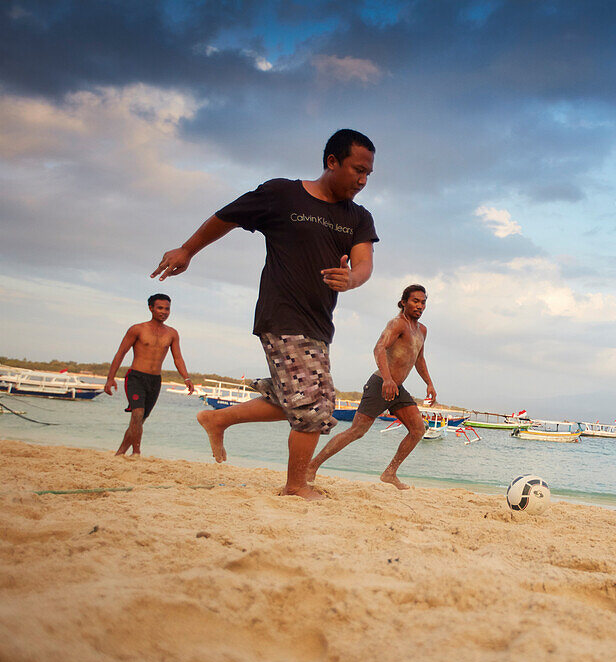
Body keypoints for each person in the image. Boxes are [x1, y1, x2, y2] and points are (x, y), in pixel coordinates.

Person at [151, 129, 378, 499]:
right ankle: (295, 487)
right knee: (312, 406)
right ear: (332, 162)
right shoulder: (281, 194)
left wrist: (352, 278)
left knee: (291, 397)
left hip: (320, 322)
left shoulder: (358, 217)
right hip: (282, 314)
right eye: (357, 170)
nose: (363, 180)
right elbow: (226, 217)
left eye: (368, 173)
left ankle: (218, 418)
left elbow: (365, 263)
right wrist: (188, 250)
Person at [307, 285, 436, 490]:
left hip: (397, 388)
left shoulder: (422, 330)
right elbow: (379, 348)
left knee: (418, 429)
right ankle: (311, 467)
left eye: (423, 302)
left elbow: (419, 358)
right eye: (415, 301)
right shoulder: (397, 324)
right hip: (381, 384)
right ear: (404, 302)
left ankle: (390, 473)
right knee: (356, 431)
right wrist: (387, 379)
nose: (420, 306)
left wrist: (429, 383)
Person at [104, 293, 194, 455]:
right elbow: (120, 353)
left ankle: (120, 453)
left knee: (139, 420)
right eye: (160, 308)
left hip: (155, 380)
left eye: (167, 309)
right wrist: (110, 378)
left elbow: (178, 358)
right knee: (137, 414)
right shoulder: (137, 329)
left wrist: (186, 378)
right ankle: (137, 452)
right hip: (136, 377)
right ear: (151, 308)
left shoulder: (172, 333)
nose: (164, 312)